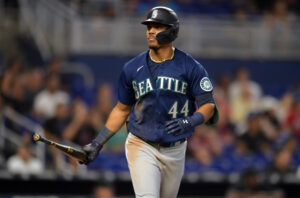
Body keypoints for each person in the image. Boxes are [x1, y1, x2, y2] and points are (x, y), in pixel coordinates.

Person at [81, 6, 218, 198]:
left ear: (171, 31)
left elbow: (209, 106)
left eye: (157, 26)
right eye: (149, 27)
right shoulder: (132, 68)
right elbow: (121, 109)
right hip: (141, 143)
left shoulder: (190, 66)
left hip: (176, 148)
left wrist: (190, 121)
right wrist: (97, 143)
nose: (151, 31)